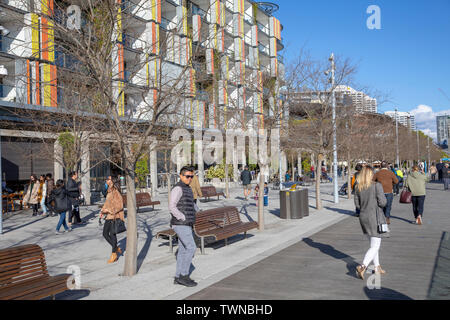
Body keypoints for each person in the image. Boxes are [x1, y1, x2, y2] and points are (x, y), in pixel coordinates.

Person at [354, 166, 388, 280]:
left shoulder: (358, 186)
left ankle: (377, 267)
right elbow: (383, 202)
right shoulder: (376, 186)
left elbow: (357, 205)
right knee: (376, 245)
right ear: (371, 174)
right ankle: (363, 266)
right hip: (375, 217)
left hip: (363, 217)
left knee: (373, 245)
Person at [169, 166, 199, 287]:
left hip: (186, 224)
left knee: (182, 250)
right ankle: (184, 275)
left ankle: (178, 276)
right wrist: (182, 217)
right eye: (187, 176)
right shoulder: (178, 188)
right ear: (181, 176)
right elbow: (172, 206)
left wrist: (198, 210)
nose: (190, 178)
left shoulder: (187, 188)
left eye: (191, 176)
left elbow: (190, 204)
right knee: (191, 247)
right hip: (181, 224)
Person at [100, 175, 125, 264]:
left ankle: (114, 254)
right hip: (109, 216)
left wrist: (110, 210)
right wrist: (103, 210)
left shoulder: (115, 191)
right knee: (105, 234)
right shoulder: (109, 191)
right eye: (106, 179)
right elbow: (107, 203)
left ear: (112, 181)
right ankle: (116, 248)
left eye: (108, 179)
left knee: (112, 234)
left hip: (115, 216)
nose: (106, 180)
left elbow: (120, 205)